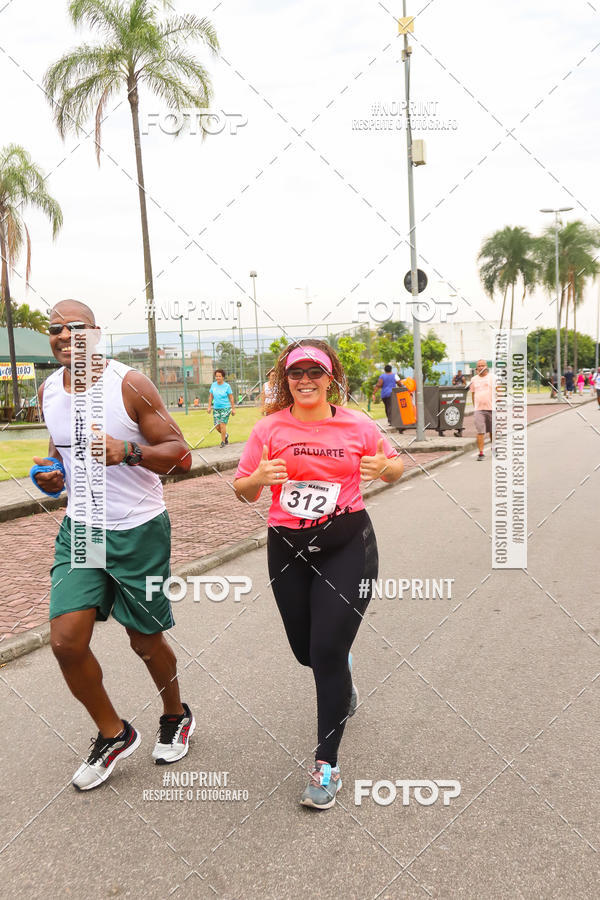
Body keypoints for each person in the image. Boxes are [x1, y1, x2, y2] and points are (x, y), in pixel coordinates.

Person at [31, 300, 194, 791]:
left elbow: (182, 457)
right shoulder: (49, 392)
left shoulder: (128, 384)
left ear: (95, 333)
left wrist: (128, 452)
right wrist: (53, 474)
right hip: (82, 529)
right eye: (54, 330)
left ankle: (175, 714)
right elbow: (61, 457)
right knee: (65, 642)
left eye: (74, 327)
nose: (63, 336)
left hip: (137, 530)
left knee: (144, 640)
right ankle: (114, 732)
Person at [233, 340, 404, 809]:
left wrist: (383, 468)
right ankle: (341, 675)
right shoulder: (269, 428)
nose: (305, 380)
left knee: (326, 649)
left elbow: (396, 468)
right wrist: (258, 480)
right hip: (287, 547)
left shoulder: (357, 423)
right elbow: (242, 491)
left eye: (315, 372)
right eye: (295, 374)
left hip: (347, 544)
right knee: (306, 652)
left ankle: (326, 764)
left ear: (331, 377)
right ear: (284, 380)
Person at [469, 358, 494, 461]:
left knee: (493, 431)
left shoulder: (493, 378)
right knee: (480, 432)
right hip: (479, 410)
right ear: (476, 368)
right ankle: (481, 453)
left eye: (482, 365)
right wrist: (475, 407)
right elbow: (473, 393)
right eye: (479, 366)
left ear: (486, 366)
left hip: (492, 409)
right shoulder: (473, 379)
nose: (480, 367)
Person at [207, 369, 235, 447]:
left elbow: (231, 398)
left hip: (225, 408)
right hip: (216, 408)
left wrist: (233, 408)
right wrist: (209, 407)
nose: (218, 378)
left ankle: (223, 442)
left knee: (222, 424)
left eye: (219, 376)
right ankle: (225, 435)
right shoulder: (213, 385)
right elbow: (211, 397)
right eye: (216, 376)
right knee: (217, 426)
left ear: (223, 377)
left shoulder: (227, 386)